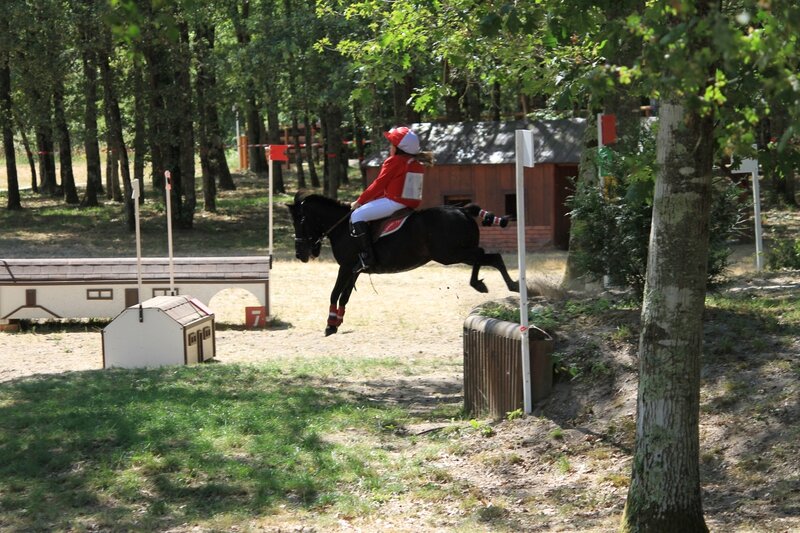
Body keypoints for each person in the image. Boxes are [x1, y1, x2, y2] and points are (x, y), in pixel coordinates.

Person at [350, 126, 428, 273]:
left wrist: (360, 200)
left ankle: (367, 257)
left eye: (392, 144)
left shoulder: (394, 161)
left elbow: (379, 184)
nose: (390, 147)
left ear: (398, 148)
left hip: (395, 203)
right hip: (411, 204)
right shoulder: (417, 163)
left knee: (357, 215)